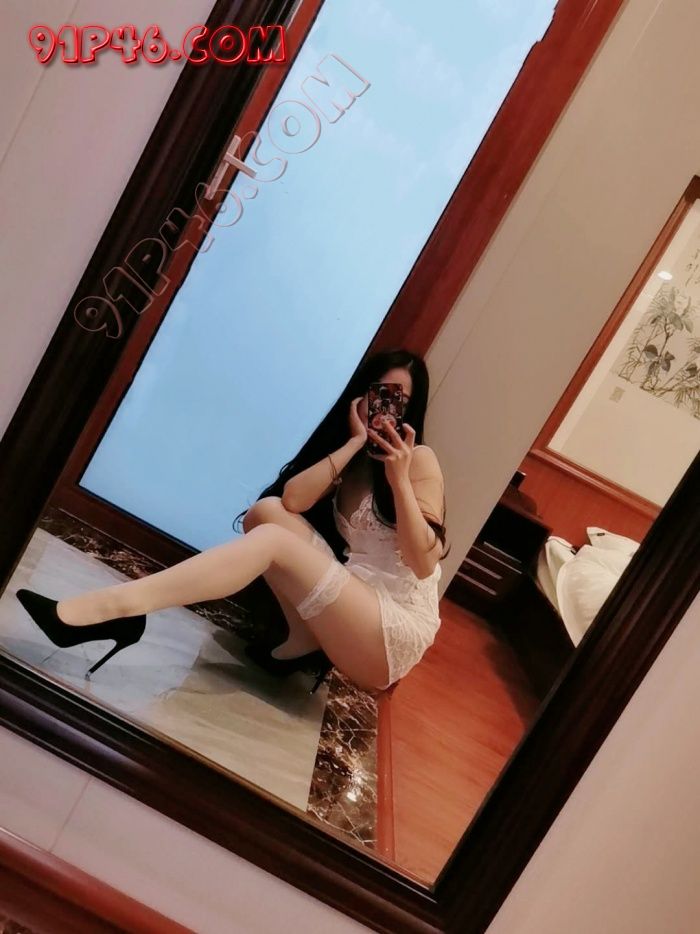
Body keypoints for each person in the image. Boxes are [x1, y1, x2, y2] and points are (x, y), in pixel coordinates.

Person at [15, 349, 450, 695]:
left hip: (392, 629)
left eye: (400, 401)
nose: (386, 410)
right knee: (267, 513)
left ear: (412, 411)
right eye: (380, 394)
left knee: (273, 542)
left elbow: (423, 563)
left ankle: (114, 609)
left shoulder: (420, 461)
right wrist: (355, 442)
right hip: (357, 598)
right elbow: (293, 500)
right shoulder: (354, 462)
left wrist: (398, 478)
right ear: (362, 395)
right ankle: (302, 641)